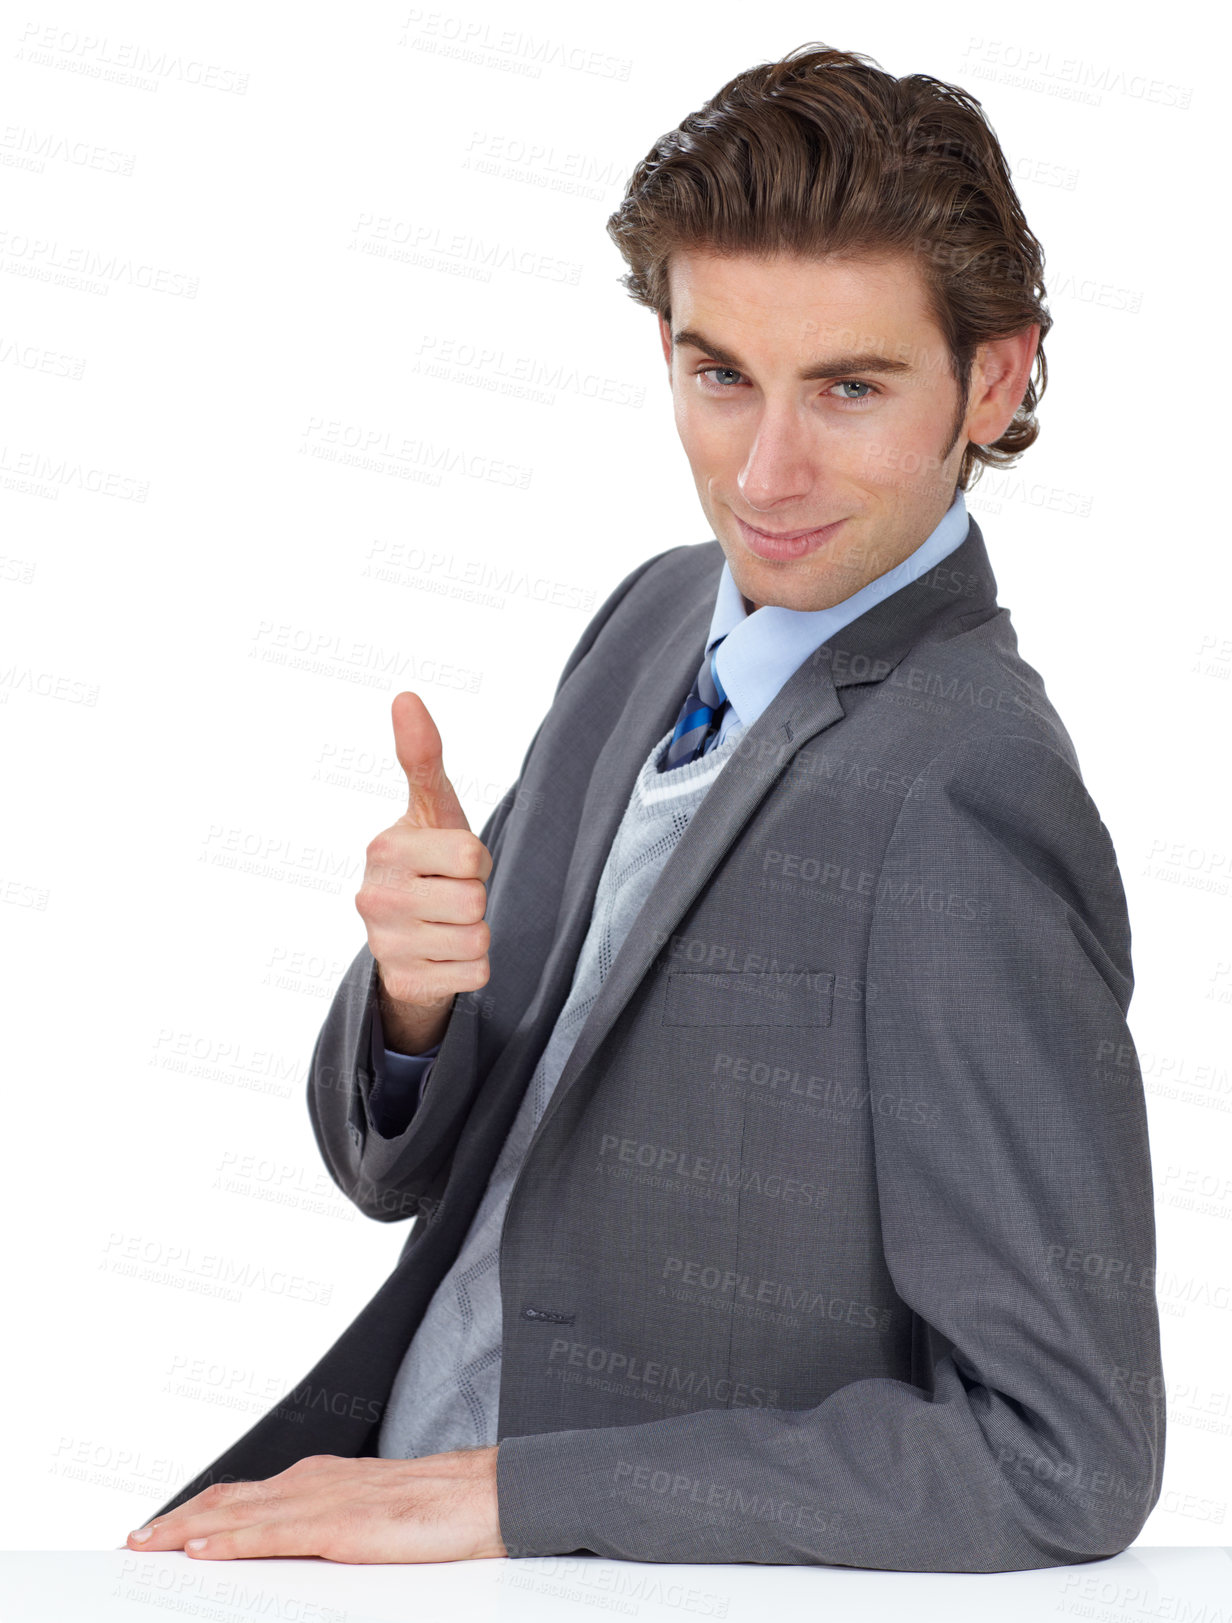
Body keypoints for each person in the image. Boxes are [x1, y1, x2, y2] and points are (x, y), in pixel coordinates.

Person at [130, 42, 1165, 1572]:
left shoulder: (969, 786)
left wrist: (507, 1498)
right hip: (360, 1524)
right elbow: (401, 1173)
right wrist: (416, 1005)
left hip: (581, 1574)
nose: (767, 470)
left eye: (851, 389)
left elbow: (1066, 1455)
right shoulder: (657, 618)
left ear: (994, 377)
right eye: (718, 374)